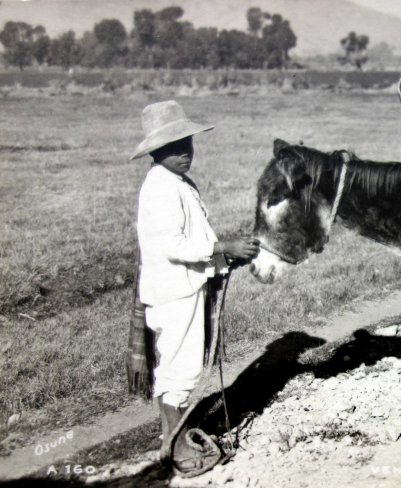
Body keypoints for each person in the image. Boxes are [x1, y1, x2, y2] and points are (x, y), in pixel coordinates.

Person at [130, 100, 259, 476]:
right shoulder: (160, 188)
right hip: (173, 293)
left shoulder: (178, 182)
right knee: (180, 371)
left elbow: (195, 237)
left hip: (185, 287)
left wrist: (224, 260)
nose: (185, 153)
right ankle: (176, 446)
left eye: (187, 144)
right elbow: (173, 245)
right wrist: (223, 248)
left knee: (177, 367)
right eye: (174, 148)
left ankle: (174, 439)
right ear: (156, 152)